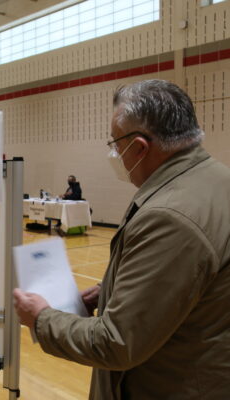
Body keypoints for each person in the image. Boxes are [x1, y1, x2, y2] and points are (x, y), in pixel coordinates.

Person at [13, 80, 230, 399]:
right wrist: (114, 288)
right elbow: (196, 278)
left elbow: (115, 344)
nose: (114, 154)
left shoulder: (169, 215)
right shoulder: (215, 180)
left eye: (115, 143)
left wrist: (42, 318)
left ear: (140, 147)